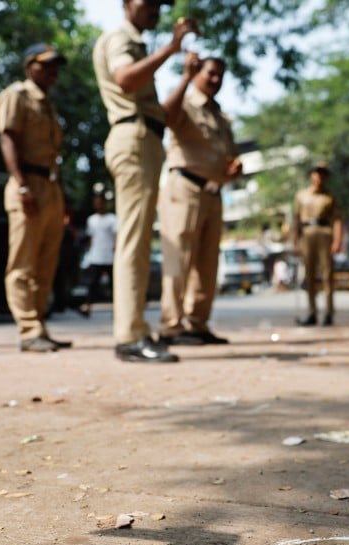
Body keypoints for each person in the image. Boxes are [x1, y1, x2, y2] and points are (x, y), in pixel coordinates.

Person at [93, 1, 197, 363]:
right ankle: (129, 336)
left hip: (146, 138)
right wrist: (171, 47)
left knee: (138, 241)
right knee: (134, 242)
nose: (154, 7)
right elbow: (125, 79)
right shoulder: (122, 37)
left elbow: (163, 115)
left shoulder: (138, 45)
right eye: (147, 1)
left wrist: (184, 74)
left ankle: (136, 329)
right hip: (133, 139)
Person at [158, 54, 242, 346]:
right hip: (185, 188)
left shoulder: (221, 116)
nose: (215, 80)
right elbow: (165, 116)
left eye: (220, 75)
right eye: (210, 73)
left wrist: (233, 171)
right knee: (178, 258)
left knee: (207, 263)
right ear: (197, 72)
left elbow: (229, 158)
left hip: (214, 193)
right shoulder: (185, 102)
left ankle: (197, 324)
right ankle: (171, 326)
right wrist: (184, 77)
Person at [0, 43, 71, 353]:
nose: (52, 71)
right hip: (27, 184)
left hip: (50, 186)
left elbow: (54, 156)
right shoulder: (17, 95)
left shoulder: (48, 104)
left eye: (55, 66)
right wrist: (22, 184)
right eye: (46, 65)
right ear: (29, 67)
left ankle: (39, 325)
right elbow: (7, 138)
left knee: (45, 264)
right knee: (23, 263)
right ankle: (28, 329)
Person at [292, 164, 342, 326]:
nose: (319, 177)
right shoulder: (301, 196)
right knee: (309, 276)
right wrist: (295, 242)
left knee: (327, 275)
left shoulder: (330, 197)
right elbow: (296, 220)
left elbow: (337, 220)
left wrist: (337, 241)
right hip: (307, 234)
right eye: (317, 173)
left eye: (323, 174)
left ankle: (329, 313)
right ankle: (312, 313)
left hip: (324, 233)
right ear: (311, 175)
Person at [78, 187, 118, 317]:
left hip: (110, 257)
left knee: (114, 285)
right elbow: (91, 238)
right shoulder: (92, 220)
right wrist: (88, 254)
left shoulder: (112, 219)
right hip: (96, 256)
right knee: (92, 284)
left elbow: (116, 236)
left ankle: (116, 309)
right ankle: (87, 306)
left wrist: (116, 249)